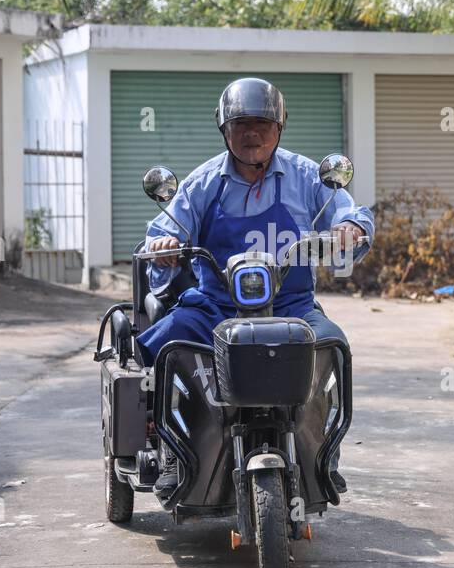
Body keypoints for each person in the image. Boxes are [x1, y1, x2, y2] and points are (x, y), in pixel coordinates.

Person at [136, 77, 374, 492]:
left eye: (262, 124)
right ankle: (172, 449)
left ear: (279, 128)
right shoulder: (203, 182)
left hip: (293, 308)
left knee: (334, 348)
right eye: (241, 124)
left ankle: (325, 453)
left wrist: (350, 228)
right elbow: (163, 228)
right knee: (167, 347)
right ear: (224, 130)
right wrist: (163, 245)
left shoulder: (308, 177)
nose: (252, 133)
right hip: (214, 308)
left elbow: (352, 214)